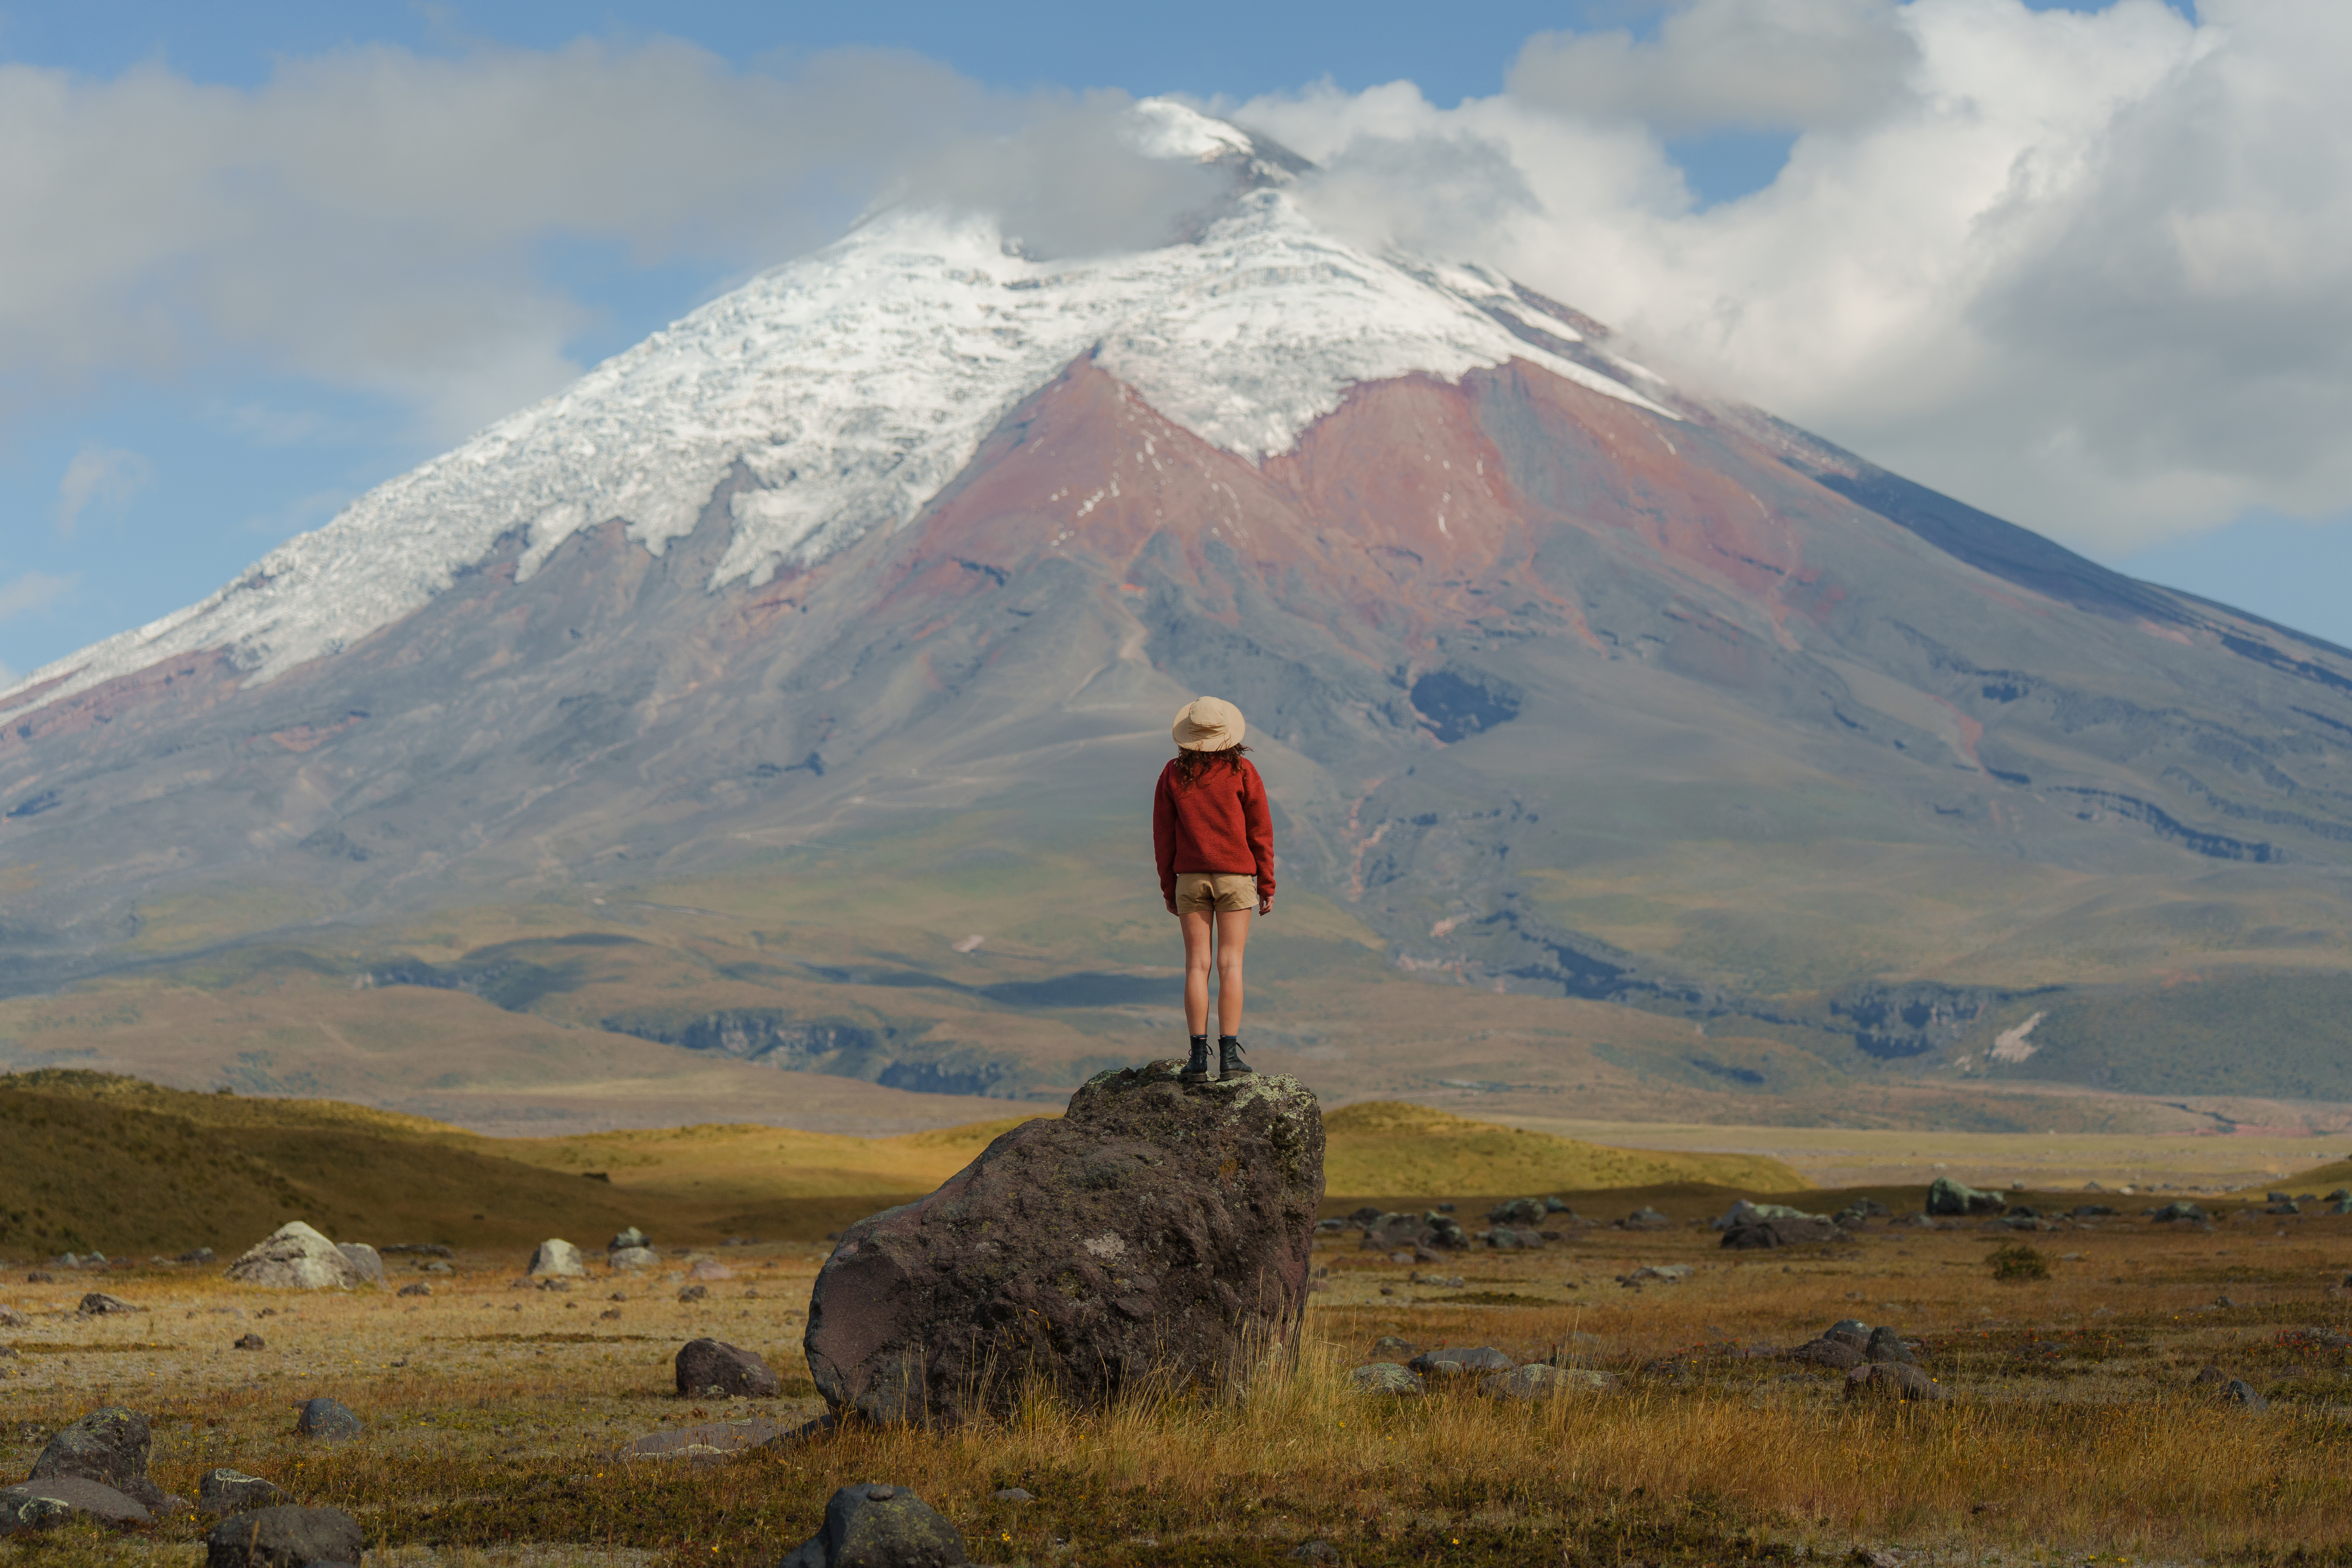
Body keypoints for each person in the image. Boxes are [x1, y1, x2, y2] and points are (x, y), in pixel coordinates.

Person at [1152, 696, 1275, 1083]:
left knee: (1197, 965)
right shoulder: (1243, 771)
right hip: (1236, 878)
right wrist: (1267, 882)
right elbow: (1260, 832)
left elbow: (1164, 838)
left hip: (1189, 878)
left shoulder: (1172, 774)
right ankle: (1229, 1059)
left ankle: (1196, 1059)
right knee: (1230, 964)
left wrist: (1168, 887)